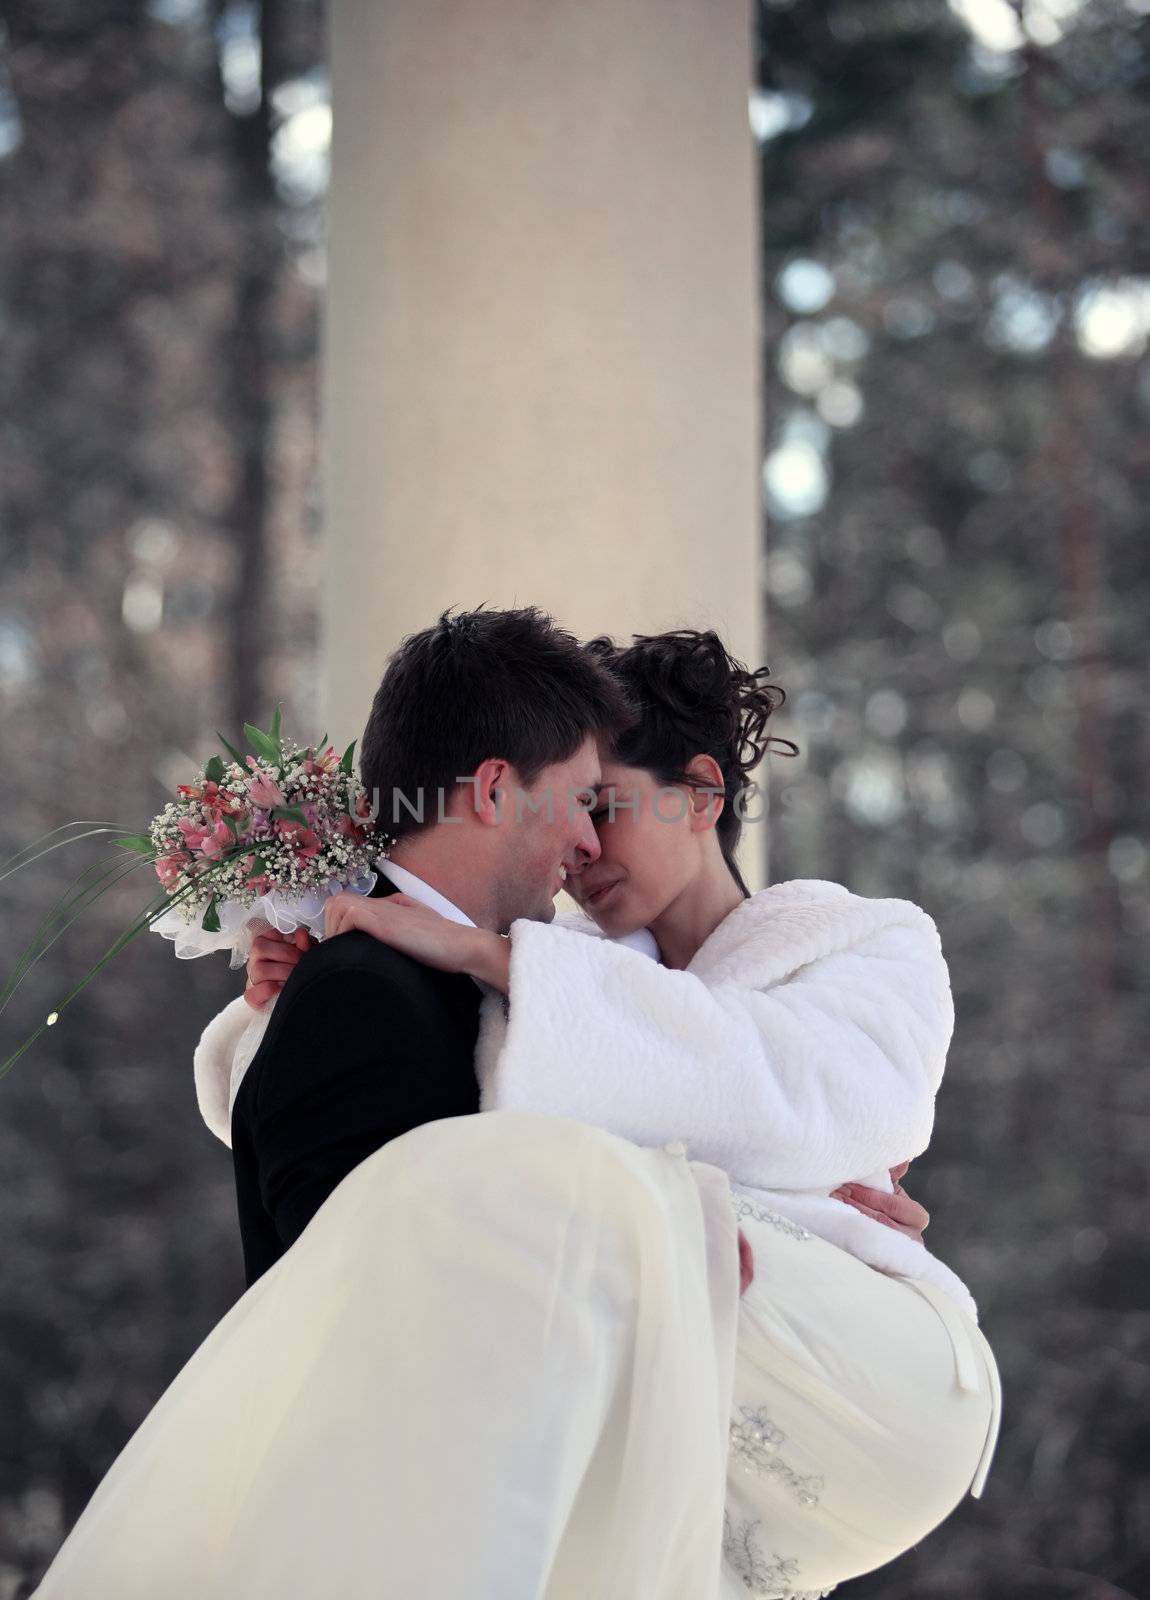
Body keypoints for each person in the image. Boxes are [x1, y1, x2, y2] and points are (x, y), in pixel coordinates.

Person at [196, 623, 1002, 1596]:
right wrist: (279, 1002)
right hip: (691, 1446)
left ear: (700, 793)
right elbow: (383, 1124)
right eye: (569, 807)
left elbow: (796, 1093)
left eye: (604, 805)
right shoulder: (568, 982)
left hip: (872, 1389)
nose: (578, 850)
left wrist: (485, 956)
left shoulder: (865, 944)